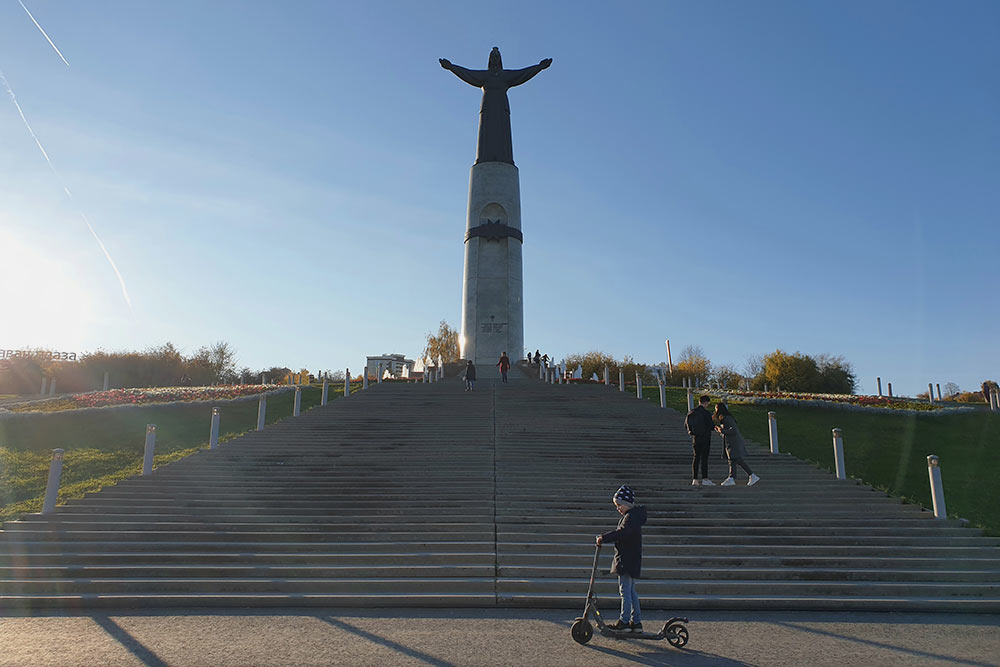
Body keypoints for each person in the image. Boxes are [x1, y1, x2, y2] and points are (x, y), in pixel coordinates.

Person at [596, 485, 647, 634]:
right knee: (631, 591)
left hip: (627, 560)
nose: (618, 508)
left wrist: (604, 538)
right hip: (630, 559)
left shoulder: (630, 518)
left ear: (627, 503)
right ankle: (636, 622)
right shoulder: (633, 517)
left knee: (625, 591)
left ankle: (624, 621)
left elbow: (622, 533)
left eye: (619, 505)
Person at [714, 402, 760, 486]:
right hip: (731, 442)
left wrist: (722, 430)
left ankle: (736, 477)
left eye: (716, 409)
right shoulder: (727, 418)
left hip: (733, 442)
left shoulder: (727, 418)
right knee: (734, 460)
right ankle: (737, 477)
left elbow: (733, 430)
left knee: (735, 460)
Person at [684, 395, 716, 487]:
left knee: (696, 458)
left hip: (695, 438)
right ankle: (705, 479)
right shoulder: (706, 413)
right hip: (705, 438)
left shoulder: (691, 412)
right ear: (706, 402)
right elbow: (711, 426)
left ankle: (695, 479)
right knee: (704, 458)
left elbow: (686, 425)